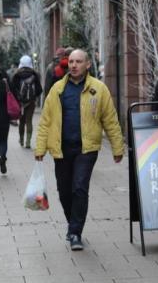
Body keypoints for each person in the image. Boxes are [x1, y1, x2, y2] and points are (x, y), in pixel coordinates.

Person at [35, 49, 124, 251]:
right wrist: (40, 148)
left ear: (88, 65)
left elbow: (110, 120)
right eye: (72, 61)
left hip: (87, 149)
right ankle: (72, 222)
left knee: (80, 187)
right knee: (64, 192)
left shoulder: (99, 89)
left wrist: (117, 147)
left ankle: (75, 232)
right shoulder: (58, 89)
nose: (74, 65)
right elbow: (46, 122)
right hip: (61, 149)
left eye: (79, 61)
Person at [11, 55, 42, 149]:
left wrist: (18, 98)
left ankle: (21, 139)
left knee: (21, 121)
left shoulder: (16, 75)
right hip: (31, 102)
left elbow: (12, 89)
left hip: (20, 102)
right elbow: (39, 89)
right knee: (29, 121)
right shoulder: (34, 74)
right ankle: (28, 142)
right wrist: (34, 97)